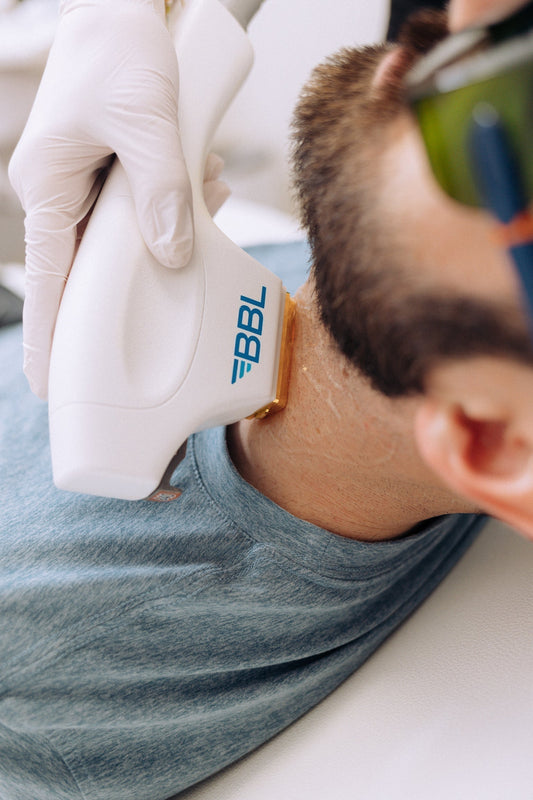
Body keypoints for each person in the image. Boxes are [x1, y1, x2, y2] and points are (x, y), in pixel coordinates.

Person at [3, 6, 518, 797]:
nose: (458, 26)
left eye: (507, 145)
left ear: (494, 445)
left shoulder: (47, 666)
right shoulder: (379, 284)